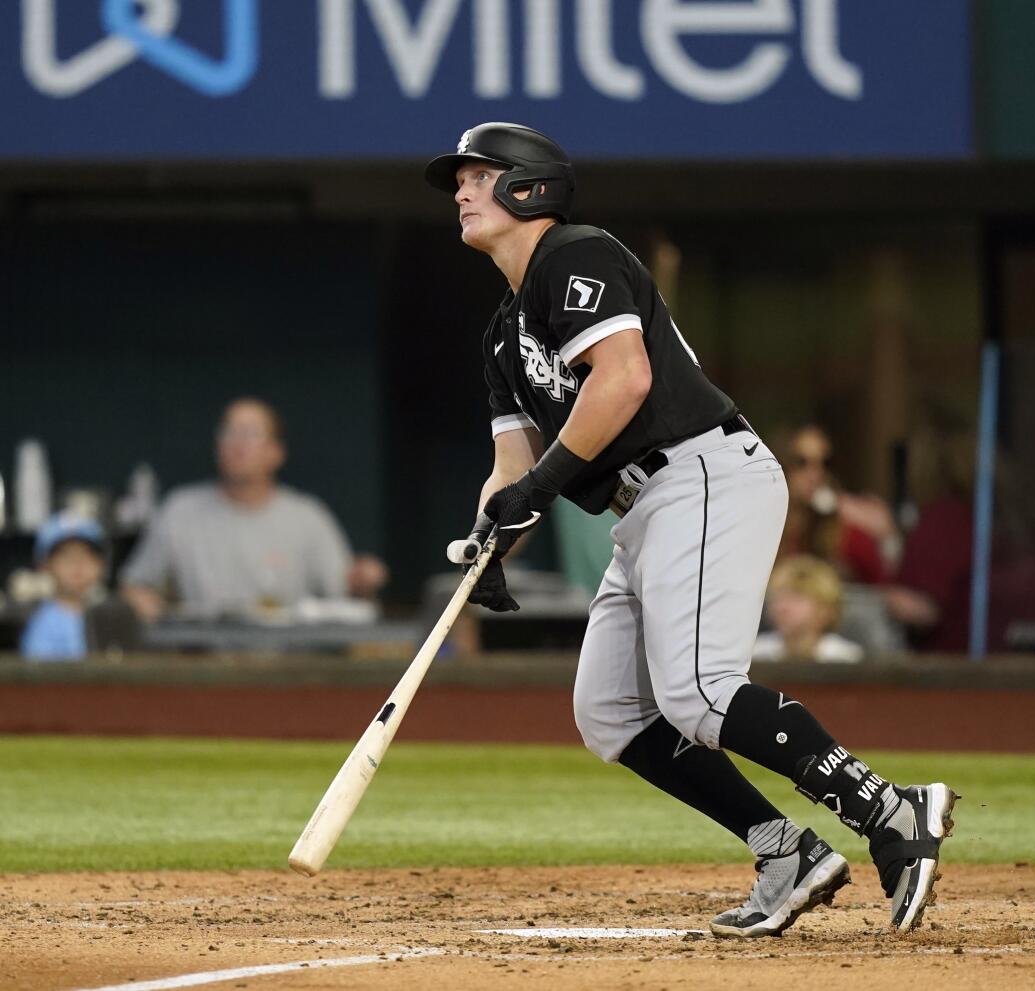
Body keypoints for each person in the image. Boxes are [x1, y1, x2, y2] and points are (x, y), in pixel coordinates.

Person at [427, 122, 954, 936]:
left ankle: (889, 809)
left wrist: (539, 486)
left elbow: (625, 379)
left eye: (476, 174)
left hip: (701, 472)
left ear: (527, 185)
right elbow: (512, 466)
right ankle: (788, 850)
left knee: (699, 692)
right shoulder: (501, 335)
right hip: (641, 512)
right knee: (611, 710)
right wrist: (492, 539)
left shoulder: (576, 254)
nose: (459, 190)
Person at [122, 398, 387, 622]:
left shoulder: (308, 517)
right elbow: (135, 587)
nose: (238, 445)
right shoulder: (180, 510)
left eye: (251, 434)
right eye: (229, 432)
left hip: (289, 667)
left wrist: (361, 583)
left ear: (276, 452)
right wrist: (143, 604)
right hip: (202, 665)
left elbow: (346, 599)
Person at [882, 406, 1035, 652]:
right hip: (1026, 667)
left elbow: (919, 609)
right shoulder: (1003, 517)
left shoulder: (946, 517)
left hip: (964, 676)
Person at [778, 425, 896, 584]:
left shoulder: (842, 530)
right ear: (783, 467)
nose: (815, 474)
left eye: (825, 463)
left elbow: (883, 585)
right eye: (802, 462)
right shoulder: (769, 526)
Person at [21, 514, 107, 660]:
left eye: (87, 556)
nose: (77, 565)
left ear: (100, 565)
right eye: (66, 557)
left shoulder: (106, 615)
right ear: (46, 566)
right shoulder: (44, 626)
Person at [753, 556, 865, 664]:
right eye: (779, 598)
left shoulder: (846, 659)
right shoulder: (755, 656)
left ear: (825, 610)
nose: (782, 607)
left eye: (796, 598)